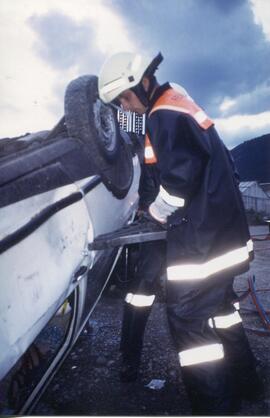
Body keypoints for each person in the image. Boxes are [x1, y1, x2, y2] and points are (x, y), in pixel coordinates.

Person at [98, 52, 262, 415]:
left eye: (125, 98)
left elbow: (177, 186)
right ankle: (248, 382)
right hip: (223, 235)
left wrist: (155, 214)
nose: (127, 107)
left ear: (143, 82)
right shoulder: (179, 103)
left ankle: (216, 406)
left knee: (188, 323)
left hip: (203, 241)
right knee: (220, 310)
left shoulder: (163, 115)